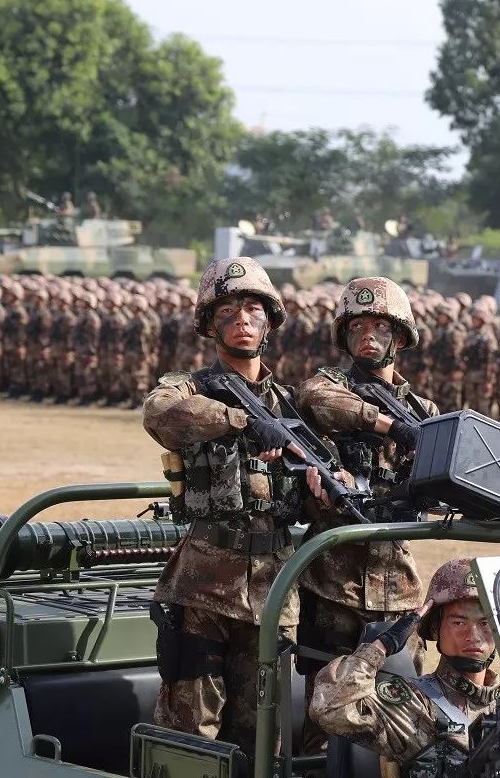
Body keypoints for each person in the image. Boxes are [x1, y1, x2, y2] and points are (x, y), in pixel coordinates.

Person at [143, 257, 334, 754]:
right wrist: (244, 422)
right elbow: (159, 413)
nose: (242, 320)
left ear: (269, 322)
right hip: (203, 588)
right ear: (209, 324)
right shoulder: (190, 386)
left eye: (252, 309)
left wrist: (320, 484)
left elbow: (315, 491)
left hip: (271, 594)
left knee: (260, 738)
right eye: (227, 311)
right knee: (190, 731)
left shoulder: (289, 405)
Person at [294, 276, 437, 758]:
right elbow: (318, 401)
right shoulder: (327, 385)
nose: (367, 336)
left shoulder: (424, 411)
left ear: (400, 337)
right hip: (334, 578)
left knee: (398, 705)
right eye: (357, 326)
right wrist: (391, 425)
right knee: (324, 706)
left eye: (379, 326)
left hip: (397, 583)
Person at [310, 558, 500, 776]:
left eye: (485, 623)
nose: (473, 636)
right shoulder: (411, 705)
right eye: (459, 623)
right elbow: (329, 707)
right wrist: (382, 646)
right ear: (435, 628)